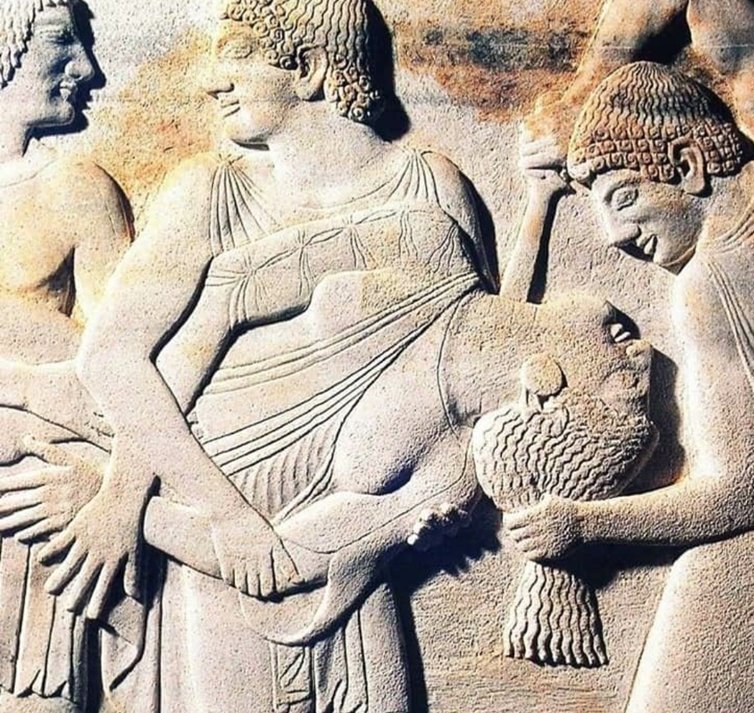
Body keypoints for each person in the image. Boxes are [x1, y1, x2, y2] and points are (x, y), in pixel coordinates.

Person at [28, 0, 497, 710]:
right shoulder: (211, 191)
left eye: (239, 53)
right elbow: (113, 358)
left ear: (308, 68)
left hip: (357, 545)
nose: (213, 80)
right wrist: (223, 516)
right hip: (217, 546)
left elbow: (478, 364)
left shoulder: (429, 185)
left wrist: (424, 498)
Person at [511, 55, 754, 713]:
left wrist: (581, 522)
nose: (614, 236)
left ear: (690, 165)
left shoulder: (709, 290)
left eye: (624, 198)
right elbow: (735, 35)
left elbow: (737, 497)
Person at [0, 1, 132, 711]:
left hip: (30, 514)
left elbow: (131, 373)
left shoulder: (78, 189)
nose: (89, 69)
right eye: (63, 40)